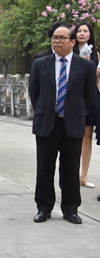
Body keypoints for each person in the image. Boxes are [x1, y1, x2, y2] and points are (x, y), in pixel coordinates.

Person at [30, 24, 96, 225]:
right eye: (54, 38)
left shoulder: (86, 66)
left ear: (73, 42)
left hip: (72, 123)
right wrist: (47, 109)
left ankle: (70, 209)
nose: (57, 41)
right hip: (47, 123)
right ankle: (44, 208)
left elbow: (89, 96)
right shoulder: (40, 64)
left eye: (62, 38)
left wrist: (72, 111)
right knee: (44, 168)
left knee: (70, 168)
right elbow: (35, 93)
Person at [72, 21, 100, 188]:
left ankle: (84, 175)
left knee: (88, 136)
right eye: (79, 31)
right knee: (77, 136)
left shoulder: (96, 55)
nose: (82, 33)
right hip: (76, 98)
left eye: (86, 31)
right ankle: (72, 174)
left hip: (92, 97)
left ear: (90, 34)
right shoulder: (71, 52)